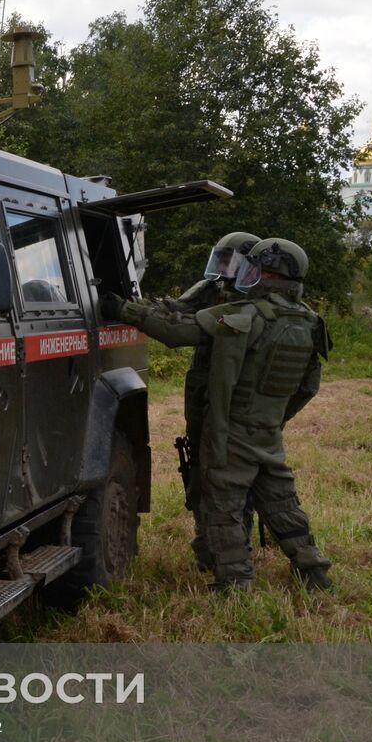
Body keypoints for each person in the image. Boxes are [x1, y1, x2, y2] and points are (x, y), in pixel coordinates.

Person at [101, 238, 332, 592]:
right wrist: (273, 419)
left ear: (270, 274)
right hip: (268, 430)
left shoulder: (245, 315)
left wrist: (120, 308)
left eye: (257, 268)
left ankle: (235, 581)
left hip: (232, 430)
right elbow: (307, 387)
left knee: (221, 505)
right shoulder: (310, 322)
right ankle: (314, 572)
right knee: (280, 500)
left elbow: (176, 331)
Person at [165, 233, 260, 572]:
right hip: (203, 390)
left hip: (236, 394)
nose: (222, 267)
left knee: (233, 475)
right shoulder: (209, 289)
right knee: (199, 469)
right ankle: (207, 545)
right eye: (219, 259)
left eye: (228, 260)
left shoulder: (259, 300)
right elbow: (174, 310)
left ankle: (234, 546)